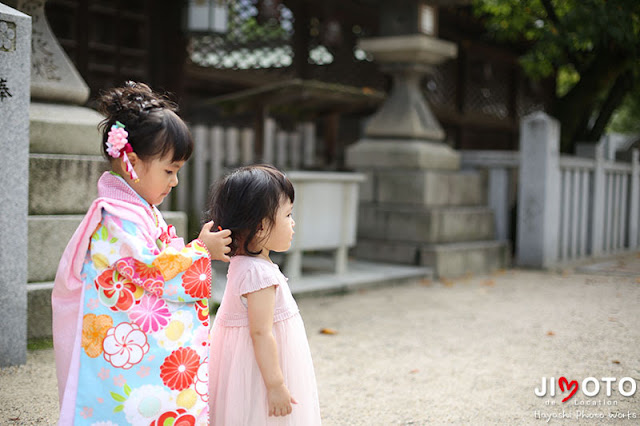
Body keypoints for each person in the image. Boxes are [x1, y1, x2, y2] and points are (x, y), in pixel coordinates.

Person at [51, 81, 232, 425]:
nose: (174, 181)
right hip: (120, 337)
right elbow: (151, 270)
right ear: (131, 162)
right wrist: (199, 251)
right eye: (169, 170)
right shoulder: (117, 217)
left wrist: (193, 252)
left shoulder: (133, 210)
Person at [205, 165, 321, 425]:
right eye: (288, 215)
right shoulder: (259, 274)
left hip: (246, 361)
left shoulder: (243, 265)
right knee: (260, 414)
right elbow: (261, 332)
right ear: (260, 226)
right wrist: (276, 384)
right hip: (261, 369)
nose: (293, 223)